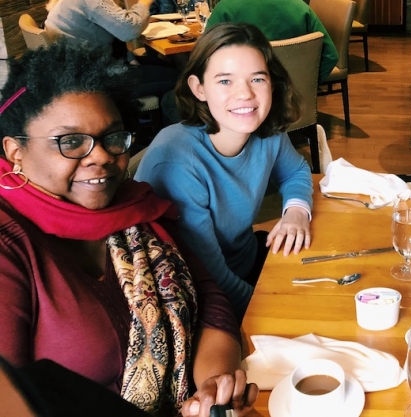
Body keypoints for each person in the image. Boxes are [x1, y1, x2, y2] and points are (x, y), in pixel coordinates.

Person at [0, 40, 257, 417]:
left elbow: (208, 299)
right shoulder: (9, 247)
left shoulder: (135, 209)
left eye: (112, 138)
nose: (102, 156)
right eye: (71, 142)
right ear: (15, 153)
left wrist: (210, 389)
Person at [134, 22, 314, 321]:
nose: (245, 94)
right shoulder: (178, 162)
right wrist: (271, 313)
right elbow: (209, 276)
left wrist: (296, 211)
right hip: (203, 298)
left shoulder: (266, 131)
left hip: (248, 265)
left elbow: (295, 171)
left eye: (257, 78)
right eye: (225, 81)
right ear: (199, 89)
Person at [44, 0, 178, 99]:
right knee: (180, 77)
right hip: (98, 79)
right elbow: (130, 29)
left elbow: (114, 32)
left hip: (80, 73)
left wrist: (130, 59)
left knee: (165, 65)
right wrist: (144, 3)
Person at [206, 0, 338, 84]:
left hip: (243, 107)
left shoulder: (225, 8)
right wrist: (305, 87)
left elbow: (204, 58)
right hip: (293, 106)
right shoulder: (300, 7)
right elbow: (330, 56)